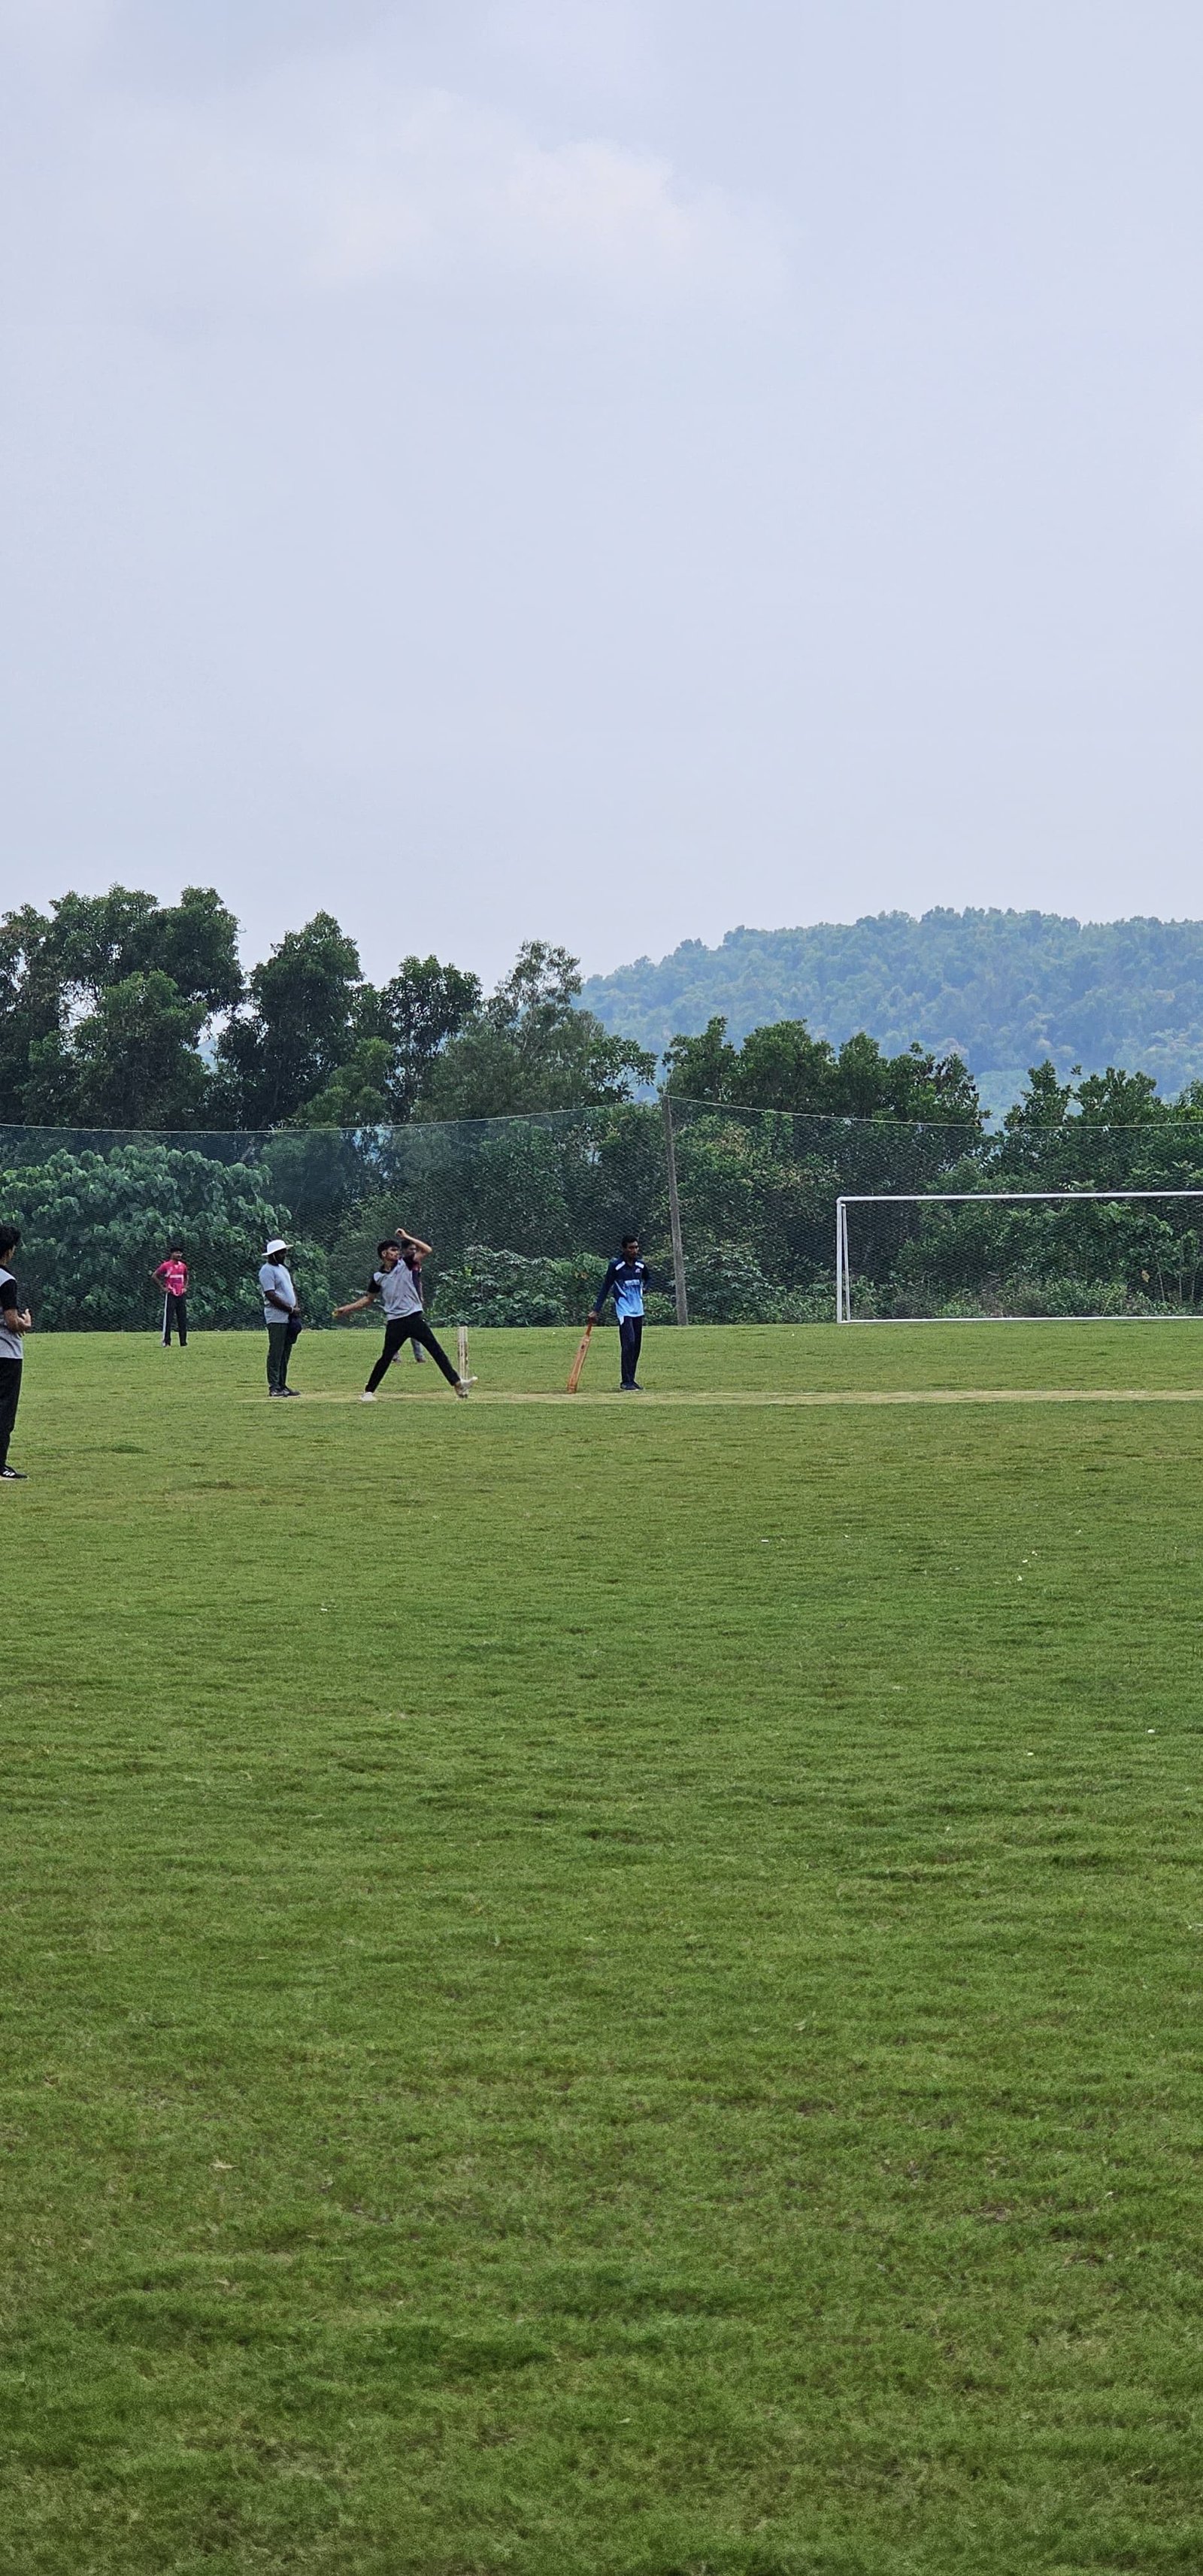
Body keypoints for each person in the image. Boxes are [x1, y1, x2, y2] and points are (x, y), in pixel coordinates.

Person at [333, 1232, 470, 1400]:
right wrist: (347, 1309)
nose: (397, 1253)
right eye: (393, 1250)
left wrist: (407, 1236)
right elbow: (368, 1299)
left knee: (436, 1351)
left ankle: (458, 1384)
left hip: (414, 1317)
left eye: (398, 1250)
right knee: (386, 1357)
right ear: (384, 1254)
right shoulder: (378, 1277)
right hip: (395, 1322)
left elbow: (427, 1250)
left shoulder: (406, 1264)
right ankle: (368, 1393)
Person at [589, 1234, 653, 1390]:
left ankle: (632, 1380)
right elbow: (605, 1287)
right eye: (631, 1248)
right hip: (624, 1310)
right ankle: (625, 1381)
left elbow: (649, 1279)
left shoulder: (641, 1266)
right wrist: (596, 1310)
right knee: (629, 1342)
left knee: (636, 1346)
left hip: (638, 1310)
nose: (634, 1250)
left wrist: (645, 1288)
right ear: (624, 1249)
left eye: (636, 1247)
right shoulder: (616, 1266)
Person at [0, 1223, 33, 1480]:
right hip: (6, 1353)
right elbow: (12, 1322)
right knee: (4, 1410)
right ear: (9, 1251)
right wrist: (25, 1323)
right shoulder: (6, 1279)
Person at [259, 1236, 302, 1396]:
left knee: (286, 1351)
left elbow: (291, 1289)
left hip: (289, 1316)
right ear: (273, 1254)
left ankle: (283, 1384)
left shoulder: (283, 1269)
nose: (284, 1255)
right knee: (276, 1351)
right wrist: (290, 1309)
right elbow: (271, 1294)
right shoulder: (267, 1270)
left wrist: (295, 1306)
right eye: (281, 1253)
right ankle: (274, 1387)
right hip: (277, 1317)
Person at [151, 1245, 189, 1346]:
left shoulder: (183, 1266)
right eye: (177, 1253)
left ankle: (183, 1342)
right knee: (169, 1318)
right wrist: (163, 1288)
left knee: (183, 1318)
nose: (179, 1255)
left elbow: (186, 1276)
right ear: (172, 1254)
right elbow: (155, 1276)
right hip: (171, 1294)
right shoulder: (166, 1266)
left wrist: (185, 1287)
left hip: (181, 1294)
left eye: (180, 1253)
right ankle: (167, 1341)